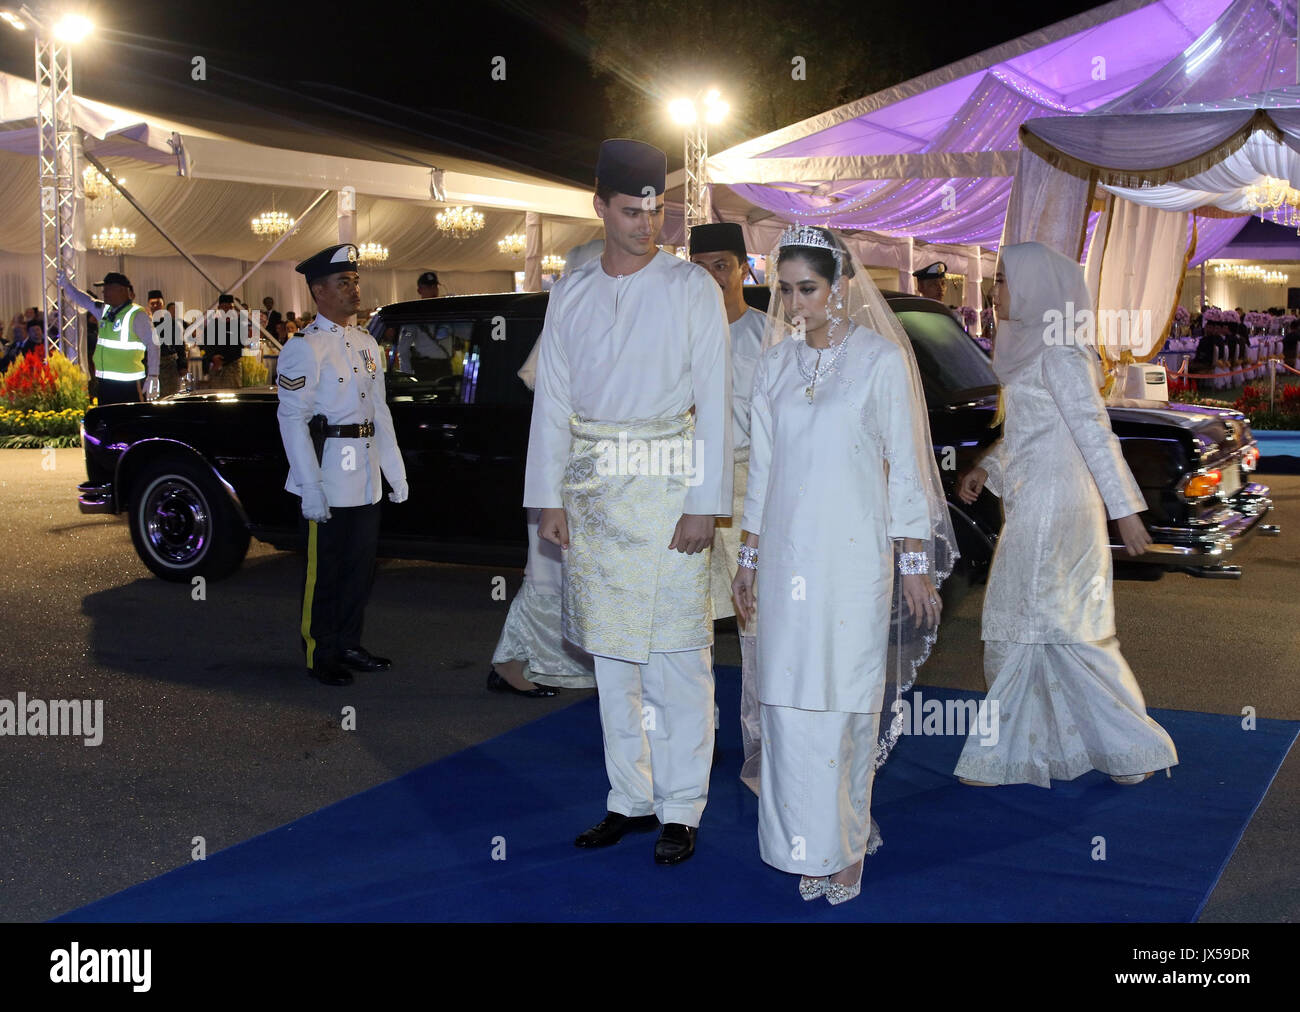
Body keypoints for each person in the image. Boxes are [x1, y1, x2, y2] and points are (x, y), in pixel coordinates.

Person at [732, 225, 954, 905]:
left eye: (809, 289)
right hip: (786, 560)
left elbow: (908, 471)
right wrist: (746, 558)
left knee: (846, 704)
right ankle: (806, 843)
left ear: (842, 286)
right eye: (785, 290)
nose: (796, 303)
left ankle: (848, 847)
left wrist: (914, 559)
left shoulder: (880, 362)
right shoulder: (775, 365)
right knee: (788, 703)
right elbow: (763, 472)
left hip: (855, 559)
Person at [525, 138, 732, 865]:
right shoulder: (571, 290)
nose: (648, 223)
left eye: (657, 209)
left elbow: (717, 399)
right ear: (599, 205)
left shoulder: (690, 289)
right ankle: (630, 798)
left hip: (672, 484)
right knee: (613, 658)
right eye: (631, 209)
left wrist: (706, 501)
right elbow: (551, 399)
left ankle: (682, 807)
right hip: (592, 494)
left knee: (678, 654)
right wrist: (546, 496)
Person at [953, 241, 1178, 789]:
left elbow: (1092, 431)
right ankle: (1055, 747)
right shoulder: (1032, 346)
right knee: (1043, 624)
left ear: (1035, 287)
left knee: (1051, 625)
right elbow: (1036, 426)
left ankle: (1114, 746)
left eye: (1003, 280)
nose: (994, 289)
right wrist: (990, 465)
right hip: (1037, 497)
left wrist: (1125, 510)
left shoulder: (1061, 350)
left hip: (1058, 507)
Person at [275, 243, 408, 686]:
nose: (354, 290)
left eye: (355, 281)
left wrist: (394, 471)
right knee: (323, 574)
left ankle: (348, 642)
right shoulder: (304, 348)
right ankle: (320, 651)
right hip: (328, 476)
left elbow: (380, 413)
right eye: (343, 283)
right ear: (318, 291)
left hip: (364, 478)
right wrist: (310, 488)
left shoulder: (367, 343)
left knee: (358, 570)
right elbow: (292, 420)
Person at [688, 221, 765, 793]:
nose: (712, 278)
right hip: (689, 494)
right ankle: (694, 739)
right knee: (689, 623)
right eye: (700, 266)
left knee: (757, 624)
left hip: (751, 493)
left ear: (744, 268)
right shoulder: (677, 335)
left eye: (722, 265)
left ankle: (765, 744)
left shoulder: (771, 337)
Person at [57, 270, 159, 404]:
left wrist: (153, 375)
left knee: (128, 422)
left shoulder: (137, 315)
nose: (103, 292)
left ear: (122, 290)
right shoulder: (106, 310)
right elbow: (87, 301)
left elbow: (153, 344)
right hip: (105, 383)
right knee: (108, 421)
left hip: (128, 385)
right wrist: (67, 286)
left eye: (108, 289)